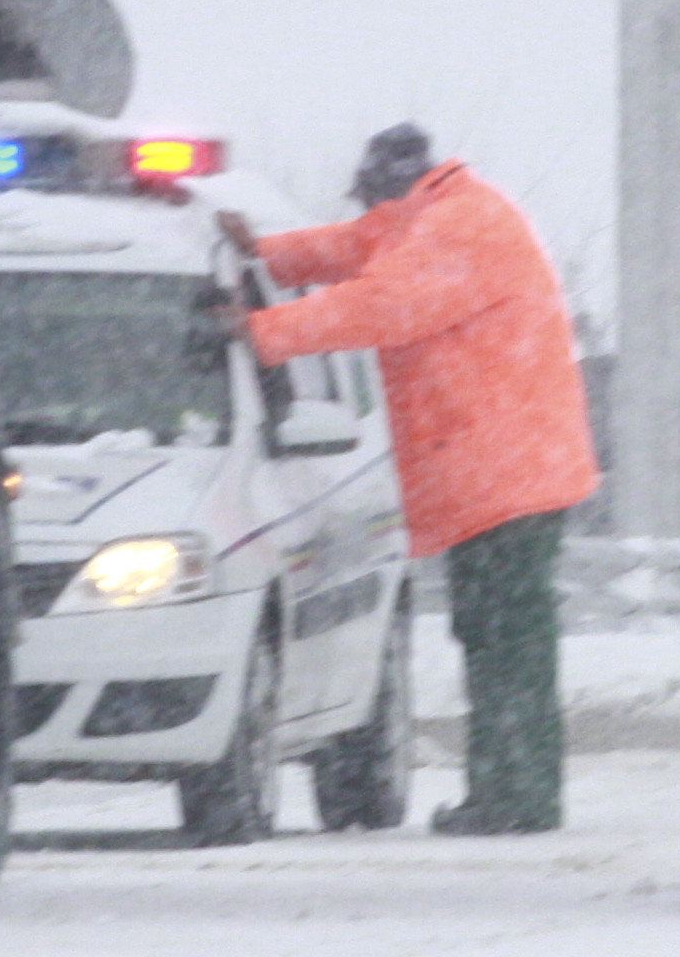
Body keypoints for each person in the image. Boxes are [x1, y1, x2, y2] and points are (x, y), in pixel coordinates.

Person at [237, 123, 598, 834]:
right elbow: (346, 248)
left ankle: (516, 799)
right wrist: (252, 251)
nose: (366, 215)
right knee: (500, 640)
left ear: (388, 188)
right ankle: (516, 792)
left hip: (508, 479)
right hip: (504, 477)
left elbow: (380, 305)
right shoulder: (432, 220)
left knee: (506, 646)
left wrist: (259, 332)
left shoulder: (463, 229)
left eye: (370, 200)